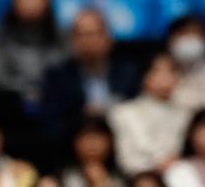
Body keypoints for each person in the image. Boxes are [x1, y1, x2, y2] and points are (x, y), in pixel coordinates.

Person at [40, 8, 139, 138]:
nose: (88, 41)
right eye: (81, 35)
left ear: (108, 37)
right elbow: (53, 124)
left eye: (94, 34)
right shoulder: (58, 76)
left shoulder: (128, 72)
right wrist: (83, 117)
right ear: (72, 41)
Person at [107, 52, 191, 176]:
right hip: (134, 181)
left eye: (171, 71)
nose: (166, 77)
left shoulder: (187, 115)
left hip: (175, 180)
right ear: (145, 76)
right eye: (158, 71)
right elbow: (126, 160)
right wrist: (155, 169)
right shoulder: (122, 113)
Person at [0, 0, 64, 106]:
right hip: (12, 108)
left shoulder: (63, 39)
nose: (30, 1)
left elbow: (67, 79)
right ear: (14, 0)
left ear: (48, 0)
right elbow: (0, 82)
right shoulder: (0, 40)